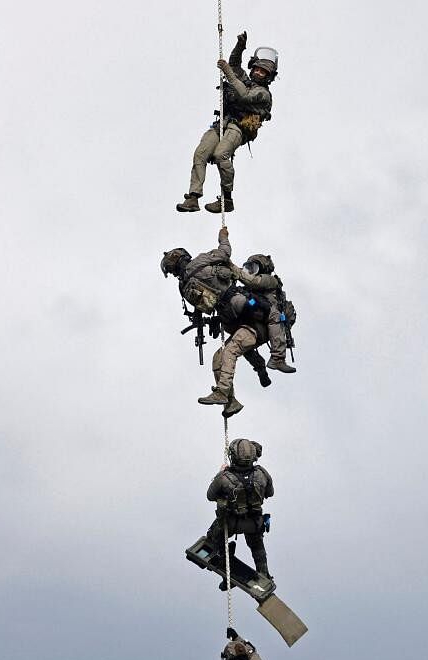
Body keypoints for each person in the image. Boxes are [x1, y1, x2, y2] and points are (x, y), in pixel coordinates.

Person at [162, 228, 272, 416]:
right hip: (234, 318)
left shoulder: (194, 269)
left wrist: (224, 237)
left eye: (172, 270)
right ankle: (231, 401)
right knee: (219, 358)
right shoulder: (186, 283)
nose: (174, 274)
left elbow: (225, 253)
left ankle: (224, 391)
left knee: (232, 348)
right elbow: (205, 303)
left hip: (246, 312)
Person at [177, 32, 278, 214]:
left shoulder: (263, 94)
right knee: (201, 153)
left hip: (239, 127)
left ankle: (227, 199)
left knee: (221, 154)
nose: (258, 72)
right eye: (257, 69)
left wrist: (228, 73)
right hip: (222, 123)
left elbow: (244, 95)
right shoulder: (244, 79)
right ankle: (193, 197)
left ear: (268, 77)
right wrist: (239, 47)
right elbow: (234, 65)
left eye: (263, 72)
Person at [205, 439, 274, 580]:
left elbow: (210, 496)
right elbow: (270, 493)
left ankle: (225, 559)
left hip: (231, 523)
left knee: (213, 537)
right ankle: (263, 572)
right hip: (254, 523)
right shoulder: (262, 474)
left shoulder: (224, 478)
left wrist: (220, 473)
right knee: (257, 547)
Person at [232, 254, 295, 373]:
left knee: (275, 317)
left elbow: (253, 282)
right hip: (257, 313)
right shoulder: (250, 288)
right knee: (241, 343)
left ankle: (277, 358)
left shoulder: (269, 280)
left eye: (253, 268)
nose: (250, 271)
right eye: (248, 268)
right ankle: (260, 367)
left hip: (269, 314)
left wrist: (232, 268)